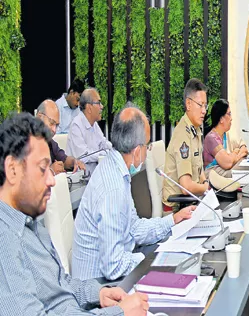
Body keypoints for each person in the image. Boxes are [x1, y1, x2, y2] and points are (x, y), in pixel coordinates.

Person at [0, 112, 149, 315]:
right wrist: (120, 313)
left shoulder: (30, 222)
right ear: (12, 170)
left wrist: (97, 293)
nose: (52, 180)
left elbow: (61, 284)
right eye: (43, 169)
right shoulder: (5, 243)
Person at [72, 104, 195, 281]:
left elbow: (133, 228)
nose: (148, 150)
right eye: (147, 146)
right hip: (100, 288)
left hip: (115, 268)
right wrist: (150, 261)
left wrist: (172, 221)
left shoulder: (117, 169)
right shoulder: (112, 188)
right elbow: (113, 266)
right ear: (137, 151)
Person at [162, 79, 209, 212]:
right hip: (176, 210)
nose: (204, 111)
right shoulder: (183, 134)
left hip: (191, 202)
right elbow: (186, 187)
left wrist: (205, 182)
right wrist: (208, 188)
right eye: (200, 105)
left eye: (206, 106)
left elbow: (199, 170)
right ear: (188, 104)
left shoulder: (196, 129)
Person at [67, 88, 112, 175]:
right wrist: (105, 153)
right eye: (98, 103)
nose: (102, 106)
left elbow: (103, 143)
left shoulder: (94, 124)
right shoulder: (76, 125)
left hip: (93, 172)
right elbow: (84, 157)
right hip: (79, 178)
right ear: (89, 107)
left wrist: (113, 149)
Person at [36, 99, 86, 175]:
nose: (54, 130)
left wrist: (74, 162)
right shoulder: (23, 142)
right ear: (39, 117)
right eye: (52, 123)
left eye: (57, 125)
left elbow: (64, 160)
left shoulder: (50, 143)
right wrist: (51, 171)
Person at [203, 99, 249, 177]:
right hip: (213, 182)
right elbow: (227, 163)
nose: (231, 118)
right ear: (221, 119)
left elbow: (244, 149)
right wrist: (235, 152)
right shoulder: (211, 138)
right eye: (229, 114)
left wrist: (234, 156)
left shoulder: (226, 135)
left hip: (225, 178)